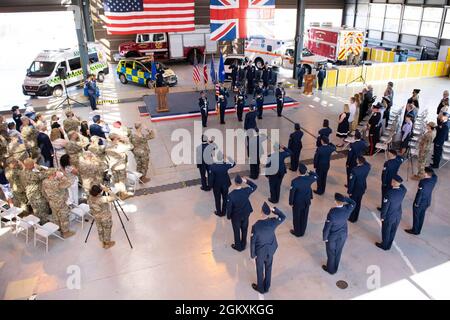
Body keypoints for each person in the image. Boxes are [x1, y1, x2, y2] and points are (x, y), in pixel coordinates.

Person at [250, 202, 286, 294]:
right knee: (269, 268)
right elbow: (283, 216)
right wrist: (274, 209)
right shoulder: (273, 222)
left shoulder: (256, 226)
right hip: (270, 250)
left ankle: (260, 288)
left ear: (261, 212)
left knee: (259, 269)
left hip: (260, 253)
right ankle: (267, 286)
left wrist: (252, 255)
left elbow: (253, 242)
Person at [322, 193, 356, 274]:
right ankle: (335, 267)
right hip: (343, 235)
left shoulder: (332, 213)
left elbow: (327, 227)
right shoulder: (347, 208)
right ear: (343, 201)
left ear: (335, 201)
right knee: (338, 252)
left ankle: (330, 270)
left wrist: (325, 237)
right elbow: (354, 203)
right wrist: (345, 198)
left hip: (332, 237)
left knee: (331, 253)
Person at [226, 175, 257, 251]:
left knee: (236, 231)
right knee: (244, 229)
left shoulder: (231, 195)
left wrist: (229, 216)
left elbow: (229, 208)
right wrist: (246, 181)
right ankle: (243, 244)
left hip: (236, 217)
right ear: (241, 182)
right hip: (246, 214)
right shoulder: (246, 190)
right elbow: (254, 186)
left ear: (235, 182)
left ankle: (238, 247)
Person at [376, 175, 407, 251]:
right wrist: (399, 183)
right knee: (393, 230)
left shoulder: (389, 193)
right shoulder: (403, 190)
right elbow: (403, 186)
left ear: (394, 182)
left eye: (392, 181)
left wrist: (382, 217)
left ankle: (384, 245)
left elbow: (385, 207)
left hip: (389, 216)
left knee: (386, 230)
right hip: (398, 215)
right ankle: (389, 244)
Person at [42, 169, 76, 238]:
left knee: (56, 216)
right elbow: (70, 183)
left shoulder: (44, 182)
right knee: (64, 217)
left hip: (52, 202)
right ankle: (65, 232)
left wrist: (49, 199)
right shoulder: (57, 183)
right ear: (53, 174)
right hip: (60, 203)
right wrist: (62, 176)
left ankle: (59, 228)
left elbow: (43, 192)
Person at [406, 167, 438, 235]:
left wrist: (416, 203)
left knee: (416, 216)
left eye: (423, 172)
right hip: (427, 201)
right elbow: (434, 174)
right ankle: (418, 229)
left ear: (426, 174)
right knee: (421, 215)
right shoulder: (434, 178)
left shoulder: (423, 182)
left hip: (420, 202)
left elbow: (419, 194)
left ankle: (415, 230)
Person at [289, 163, 317, 237]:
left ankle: (297, 232)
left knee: (296, 217)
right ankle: (302, 231)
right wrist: (309, 172)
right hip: (306, 201)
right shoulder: (309, 178)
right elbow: (316, 176)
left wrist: (291, 202)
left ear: (298, 172)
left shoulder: (294, 181)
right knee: (304, 216)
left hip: (297, 203)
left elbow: (292, 193)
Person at [19, 158, 51, 223]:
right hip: (37, 196)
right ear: (27, 165)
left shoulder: (22, 172)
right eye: (32, 164)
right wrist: (40, 168)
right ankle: (44, 226)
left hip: (30, 194)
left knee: (37, 211)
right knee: (42, 211)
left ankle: (40, 224)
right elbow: (46, 173)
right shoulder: (33, 174)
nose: (33, 165)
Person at [105, 133, 133, 201]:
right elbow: (131, 146)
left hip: (113, 166)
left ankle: (119, 193)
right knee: (122, 180)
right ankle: (123, 195)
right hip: (120, 166)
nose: (119, 139)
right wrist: (126, 140)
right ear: (115, 139)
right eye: (117, 138)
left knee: (117, 180)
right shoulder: (118, 146)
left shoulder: (108, 146)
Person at [88, 185, 116, 249]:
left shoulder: (90, 198)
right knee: (107, 229)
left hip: (97, 217)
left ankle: (102, 242)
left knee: (100, 229)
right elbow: (114, 197)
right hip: (105, 217)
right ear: (99, 192)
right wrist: (107, 190)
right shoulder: (102, 199)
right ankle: (107, 244)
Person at [347, 156, 371, 223]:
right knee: (358, 202)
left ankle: (352, 218)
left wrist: (349, 191)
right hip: (362, 187)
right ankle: (356, 216)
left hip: (355, 189)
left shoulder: (354, 170)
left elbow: (351, 182)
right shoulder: (367, 167)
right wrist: (363, 160)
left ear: (358, 161)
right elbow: (367, 163)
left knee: (353, 203)